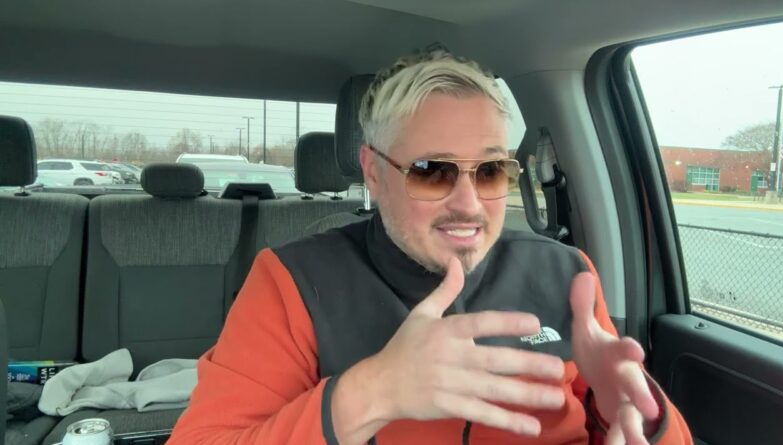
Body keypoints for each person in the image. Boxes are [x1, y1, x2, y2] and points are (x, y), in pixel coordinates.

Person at [168, 49, 693, 445]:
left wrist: (634, 411)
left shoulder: (565, 273)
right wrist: (370, 393)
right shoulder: (295, 283)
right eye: (431, 171)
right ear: (374, 172)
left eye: (490, 170)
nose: (468, 203)